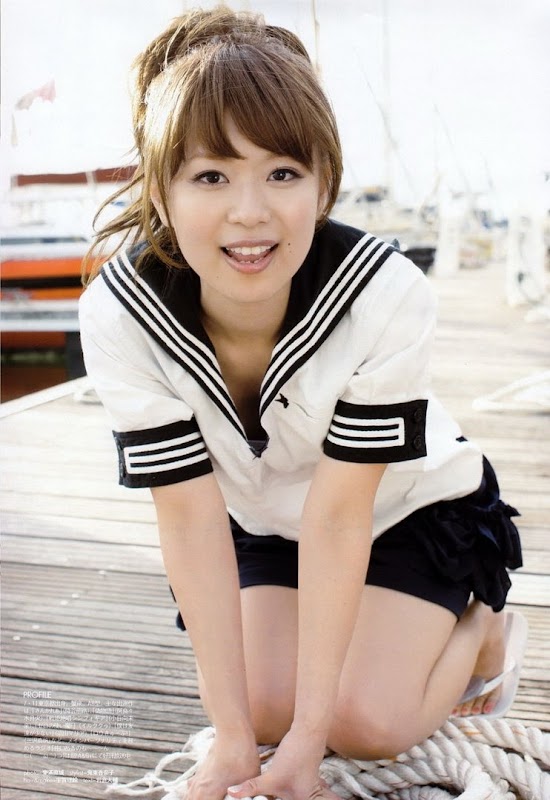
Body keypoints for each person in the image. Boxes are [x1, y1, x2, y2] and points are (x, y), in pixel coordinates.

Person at [79, 7, 526, 800]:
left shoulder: (382, 295)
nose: (250, 212)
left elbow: (340, 517)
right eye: (211, 176)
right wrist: (232, 742)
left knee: (368, 722)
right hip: (262, 518)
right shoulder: (121, 313)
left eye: (282, 173)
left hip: (402, 509)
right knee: (255, 710)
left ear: (324, 183)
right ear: (161, 190)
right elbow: (189, 519)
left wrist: (309, 746)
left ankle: (481, 628)